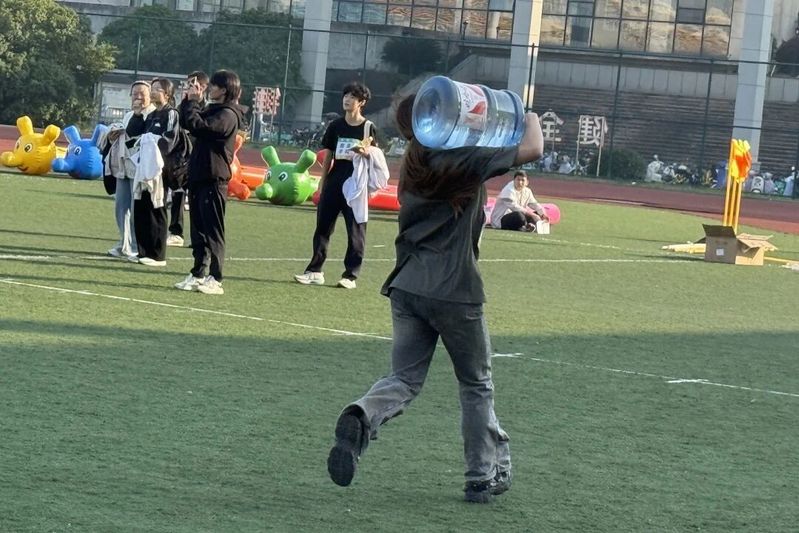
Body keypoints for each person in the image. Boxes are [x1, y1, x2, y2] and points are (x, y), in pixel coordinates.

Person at [326, 95, 544, 503]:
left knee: (404, 379)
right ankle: (481, 475)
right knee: (476, 384)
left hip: (407, 285)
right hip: (455, 289)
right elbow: (532, 148)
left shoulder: (413, 163)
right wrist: (528, 112)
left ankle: (362, 414)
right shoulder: (462, 160)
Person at [294, 82, 377, 290]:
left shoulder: (368, 127)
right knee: (323, 226)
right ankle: (315, 271)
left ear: (362, 102)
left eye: (352, 97)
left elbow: (375, 157)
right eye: (345, 95)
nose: (347, 99)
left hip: (355, 183)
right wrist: (322, 183)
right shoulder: (335, 126)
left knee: (355, 230)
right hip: (335, 180)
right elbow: (328, 155)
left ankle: (351, 275)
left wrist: (364, 154)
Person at [174, 69, 246, 295]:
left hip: (214, 179)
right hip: (198, 176)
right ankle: (198, 272)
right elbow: (188, 122)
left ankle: (216, 277)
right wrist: (189, 101)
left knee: (213, 230)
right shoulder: (213, 109)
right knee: (198, 230)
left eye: (213, 86)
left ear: (224, 90)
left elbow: (201, 127)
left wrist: (194, 104)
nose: (209, 89)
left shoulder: (228, 115)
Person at [125, 78, 183, 266]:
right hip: (144, 167)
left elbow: (169, 141)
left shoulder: (171, 113)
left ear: (167, 94)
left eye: (157, 89)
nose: (153, 92)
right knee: (141, 207)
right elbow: (133, 136)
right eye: (153, 88)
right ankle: (143, 251)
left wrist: (152, 141)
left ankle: (158, 255)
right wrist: (136, 115)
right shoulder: (150, 115)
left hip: (161, 169)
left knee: (156, 208)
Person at [104, 80, 155, 260]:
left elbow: (137, 133)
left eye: (142, 94)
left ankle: (135, 246)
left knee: (137, 209)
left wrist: (138, 115)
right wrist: (112, 136)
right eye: (135, 94)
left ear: (150, 96)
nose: (138, 97)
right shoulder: (128, 115)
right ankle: (123, 243)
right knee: (121, 207)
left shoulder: (152, 115)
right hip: (123, 166)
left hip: (141, 169)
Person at [167, 71, 210, 248]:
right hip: (181, 158)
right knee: (177, 193)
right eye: (188, 83)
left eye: (193, 84)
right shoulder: (182, 105)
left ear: (203, 87)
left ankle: (200, 236)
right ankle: (176, 232)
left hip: (199, 158)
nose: (189, 87)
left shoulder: (207, 108)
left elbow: (199, 127)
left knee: (197, 199)